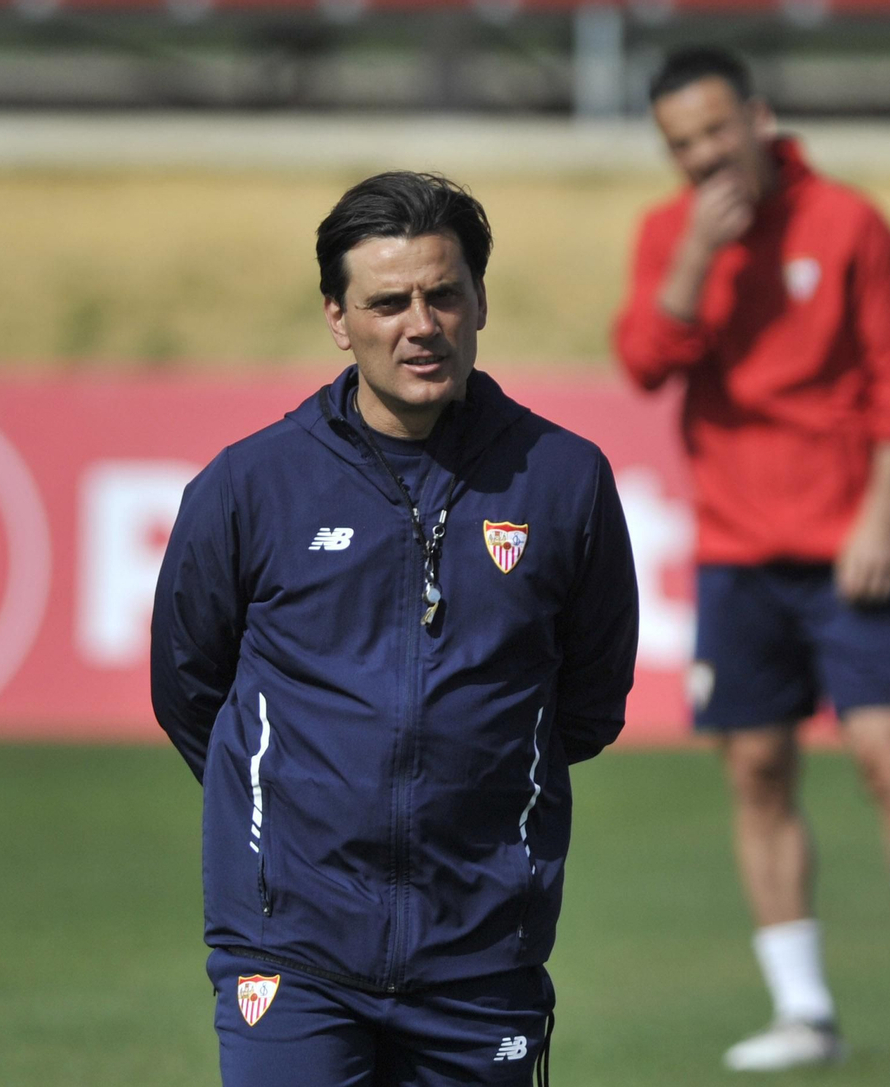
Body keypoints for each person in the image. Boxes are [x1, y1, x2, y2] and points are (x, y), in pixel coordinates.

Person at [151, 170, 638, 1087]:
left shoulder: (565, 481)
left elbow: (588, 703)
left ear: (481, 302)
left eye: (443, 294)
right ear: (338, 316)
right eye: (387, 302)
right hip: (289, 949)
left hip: (484, 953)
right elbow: (191, 691)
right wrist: (293, 810)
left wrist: (479, 800)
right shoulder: (250, 485)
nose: (420, 325)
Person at [612, 46, 890, 1073]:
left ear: (758, 118)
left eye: (713, 132)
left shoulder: (847, 223)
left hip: (846, 550)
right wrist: (694, 259)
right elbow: (645, 362)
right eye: (679, 144)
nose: (700, 156)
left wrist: (880, 512)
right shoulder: (668, 234)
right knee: (757, 771)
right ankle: (803, 1010)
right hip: (737, 552)